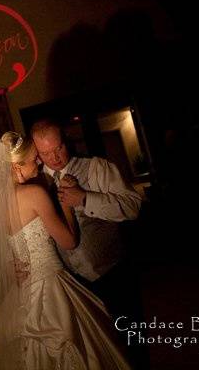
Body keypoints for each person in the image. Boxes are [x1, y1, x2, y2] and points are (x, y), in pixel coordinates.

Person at [0, 131, 131, 369]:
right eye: (34, 159)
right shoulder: (34, 193)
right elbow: (69, 241)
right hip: (50, 285)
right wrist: (66, 207)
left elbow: (6, 251)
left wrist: (13, 267)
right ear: (17, 166)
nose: (40, 161)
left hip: (24, 291)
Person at [30, 118, 147, 368]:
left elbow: (133, 206)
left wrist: (85, 199)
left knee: (132, 339)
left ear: (66, 141)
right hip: (71, 282)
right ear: (37, 153)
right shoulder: (36, 183)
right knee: (96, 349)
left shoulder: (97, 167)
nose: (55, 158)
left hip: (113, 271)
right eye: (46, 153)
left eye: (58, 148)